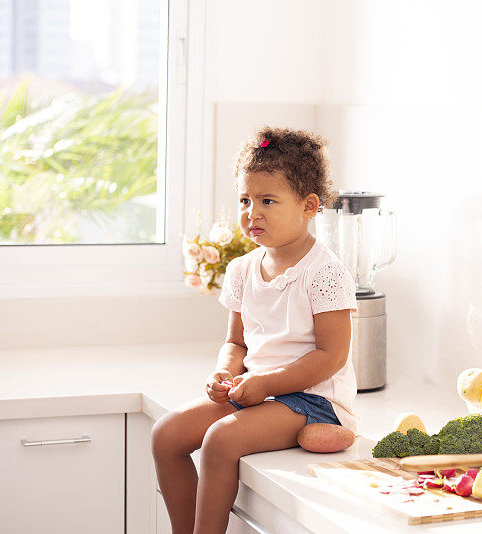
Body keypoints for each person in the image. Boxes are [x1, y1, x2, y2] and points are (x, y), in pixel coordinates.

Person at [151, 126, 359, 534]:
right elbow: (236, 342)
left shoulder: (325, 272)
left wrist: (266, 383)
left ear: (308, 205)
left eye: (267, 200)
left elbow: (331, 356)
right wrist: (225, 373)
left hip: (313, 400)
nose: (252, 212)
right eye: (245, 199)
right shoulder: (242, 270)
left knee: (221, 440)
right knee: (166, 435)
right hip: (256, 391)